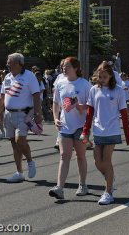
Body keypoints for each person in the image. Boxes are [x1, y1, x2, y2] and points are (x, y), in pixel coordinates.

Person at [81, 61, 129, 204]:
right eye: (99, 76)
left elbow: (124, 113)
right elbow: (90, 113)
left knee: (106, 161)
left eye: (104, 77)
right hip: (98, 130)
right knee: (97, 162)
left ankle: (108, 192)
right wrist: (85, 131)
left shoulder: (118, 90)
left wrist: (128, 135)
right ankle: (110, 175)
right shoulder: (93, 90)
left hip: (112, 129)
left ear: (110, 76)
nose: (101, 79)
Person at [0, 53, 42, 183]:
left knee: (20, 140)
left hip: (24, 114)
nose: (7, 65)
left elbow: (36, 95)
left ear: (17, 64)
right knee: (13, 143)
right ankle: (19, 172)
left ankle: (30, 161)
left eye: (9, 63)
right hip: (8, 114)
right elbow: (2, 97)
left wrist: (38, 114)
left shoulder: (29, 76)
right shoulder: (8, 77)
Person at [48, 57, 91, 199]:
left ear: (75, 68)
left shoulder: (84, 84)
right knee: (64, 156)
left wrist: (80, 107)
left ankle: (83, 185)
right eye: (63, 67)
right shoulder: (60, 83)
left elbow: (92, 106)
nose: (63, 69)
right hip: (65, 126)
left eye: (67, 67)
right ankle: (59, 188)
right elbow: (56, 103)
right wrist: (55, 118)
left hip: (80, 126)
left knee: (80, 156)